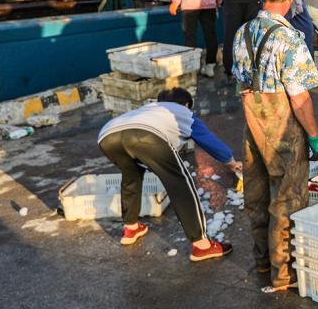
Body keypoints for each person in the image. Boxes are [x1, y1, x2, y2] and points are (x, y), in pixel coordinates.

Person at [232, 0, 318, 294]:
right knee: (287, 198)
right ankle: (283, 273)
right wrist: (314, 136)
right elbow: (300, 99)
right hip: (282, 123)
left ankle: (261, 261)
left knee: (256, 196)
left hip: (251, 122)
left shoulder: (241, 33)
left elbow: (242, 82)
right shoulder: (289, 39)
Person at [97, 88, 236, 261]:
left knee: (131, 177)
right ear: (187, 105)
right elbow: (209, 141)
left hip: (107, 135)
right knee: (180, 183)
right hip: (145, 134)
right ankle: (202, 246)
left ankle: (131, 228)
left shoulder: (148, 108)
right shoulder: (183, 112)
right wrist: (231, 162)